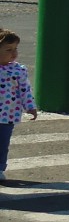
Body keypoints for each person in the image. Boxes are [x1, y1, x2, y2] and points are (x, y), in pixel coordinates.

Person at [0, 28, 38, 183]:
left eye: (15, 49)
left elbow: (25, 90)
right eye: (8, 50)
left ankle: (0, 168)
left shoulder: (18, 70)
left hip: (7, 115)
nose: (13, 53)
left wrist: (30, 106)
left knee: (2, 143)